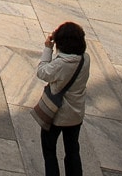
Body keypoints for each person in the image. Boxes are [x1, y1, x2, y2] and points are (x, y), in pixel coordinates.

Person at [36, 22, 89, 176]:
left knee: (49, 151)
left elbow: (42, 72)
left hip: (56, 115)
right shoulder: (86, 59)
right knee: (72, 151)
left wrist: (48, 47)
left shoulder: (60, 64)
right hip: (76, 115)